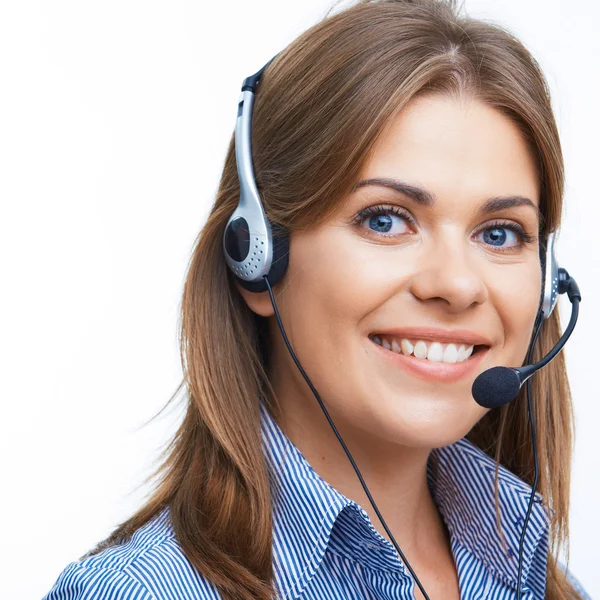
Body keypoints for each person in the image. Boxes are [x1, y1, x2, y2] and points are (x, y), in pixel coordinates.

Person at [43, 0, 592, 598]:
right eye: (385, 221)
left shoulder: (538, 578)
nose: (458, 285)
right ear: (257, 258)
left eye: (500, 234)